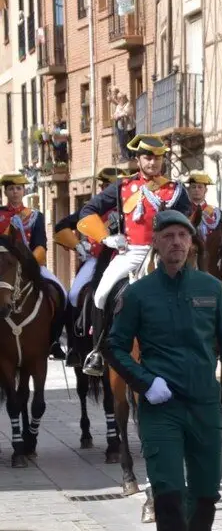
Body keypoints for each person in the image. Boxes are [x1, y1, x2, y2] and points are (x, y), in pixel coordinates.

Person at [104, 210, 222, 531]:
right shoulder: (138, 293)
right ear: (156, 242)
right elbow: (114, 346)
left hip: (204, 407)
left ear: (191, 243)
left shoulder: (212, 289)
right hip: (161, 409)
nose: (176, 242)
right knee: (168, 496)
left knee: (205, 497)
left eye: (182, 236)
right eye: (168, 236)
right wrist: (145, 382)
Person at [76, 134, 192, 376]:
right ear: (138, 159)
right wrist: (106, 237)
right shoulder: (123, 187)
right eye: (148, 157)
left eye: (158, 158)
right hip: (131, 252)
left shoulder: (175, 190)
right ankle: (97, 350)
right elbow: (88, 210)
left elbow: (187, 222)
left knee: (196, 289)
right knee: (100, 294)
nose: (153, 163)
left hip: (167, 253)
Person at [53, 166, 129, 367]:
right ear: (103, 187)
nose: (112, 189)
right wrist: (78, 244)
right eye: (108, 185)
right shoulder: (92, 209)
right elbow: (61, 227)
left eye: (115, 186)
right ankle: (74, 347)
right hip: (96, 260)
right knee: (74, 294)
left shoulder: (131, 205)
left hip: (127, 257)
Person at [0, 172, 68, 360]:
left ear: (24, 191)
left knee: (60, 291)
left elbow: (40, 244)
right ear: (5, 191)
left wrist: (29, 262)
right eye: (11, 189)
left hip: (30, 264)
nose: (15, 192)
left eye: (18, 188)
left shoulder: (35, 216)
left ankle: (54, 341)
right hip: (4, 267)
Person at [185, 170, 222, 241]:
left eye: (200, 187)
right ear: (189, 190)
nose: (196, 190)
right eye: (193, 187)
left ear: (206, 190)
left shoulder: (216, 213)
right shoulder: (183, 211)